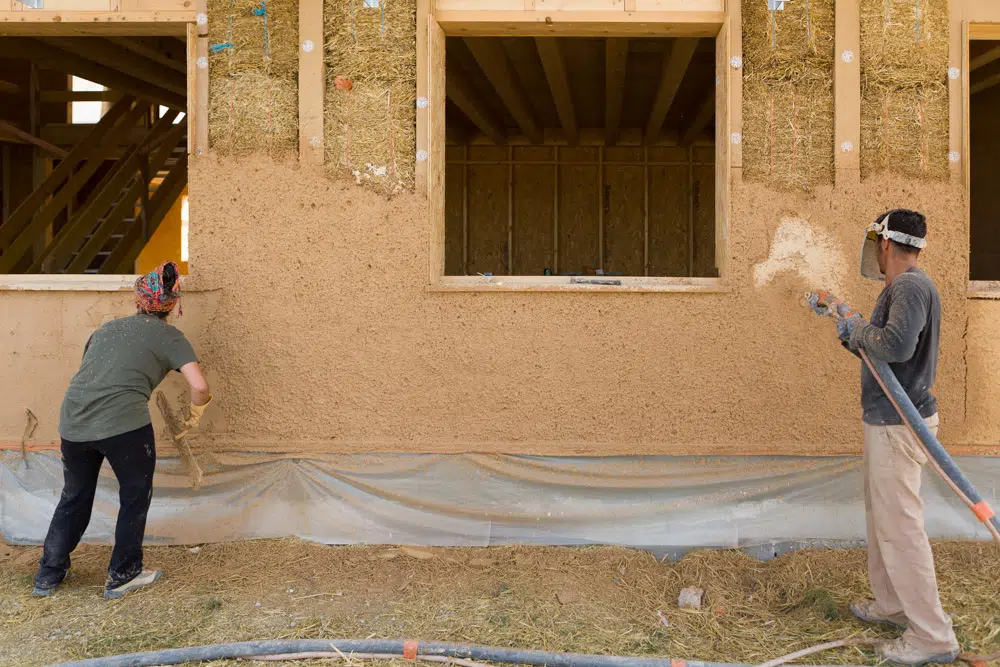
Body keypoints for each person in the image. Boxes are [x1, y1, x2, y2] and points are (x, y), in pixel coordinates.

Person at [818, 210, 959, 667]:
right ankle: (894, 605)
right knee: (882, 519)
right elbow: (882, 345)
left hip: (901, 424)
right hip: (889, 421)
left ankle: (933, 636)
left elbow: (896, 347)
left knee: (900, 530)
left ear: (883, 244)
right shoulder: (903, 288)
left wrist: (853, 327)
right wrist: (848, 327)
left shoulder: (910, 286)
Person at [32, 261, 212, 600]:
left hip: (73, 421)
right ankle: (123, 574)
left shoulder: (105, 329)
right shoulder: (171, 336)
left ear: (138, 300)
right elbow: (199, 386)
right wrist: (195, 413)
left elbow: (95, 372)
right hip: (123, 426)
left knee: (74, 496)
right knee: (133, 496)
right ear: (172, 304)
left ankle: (48, 574)